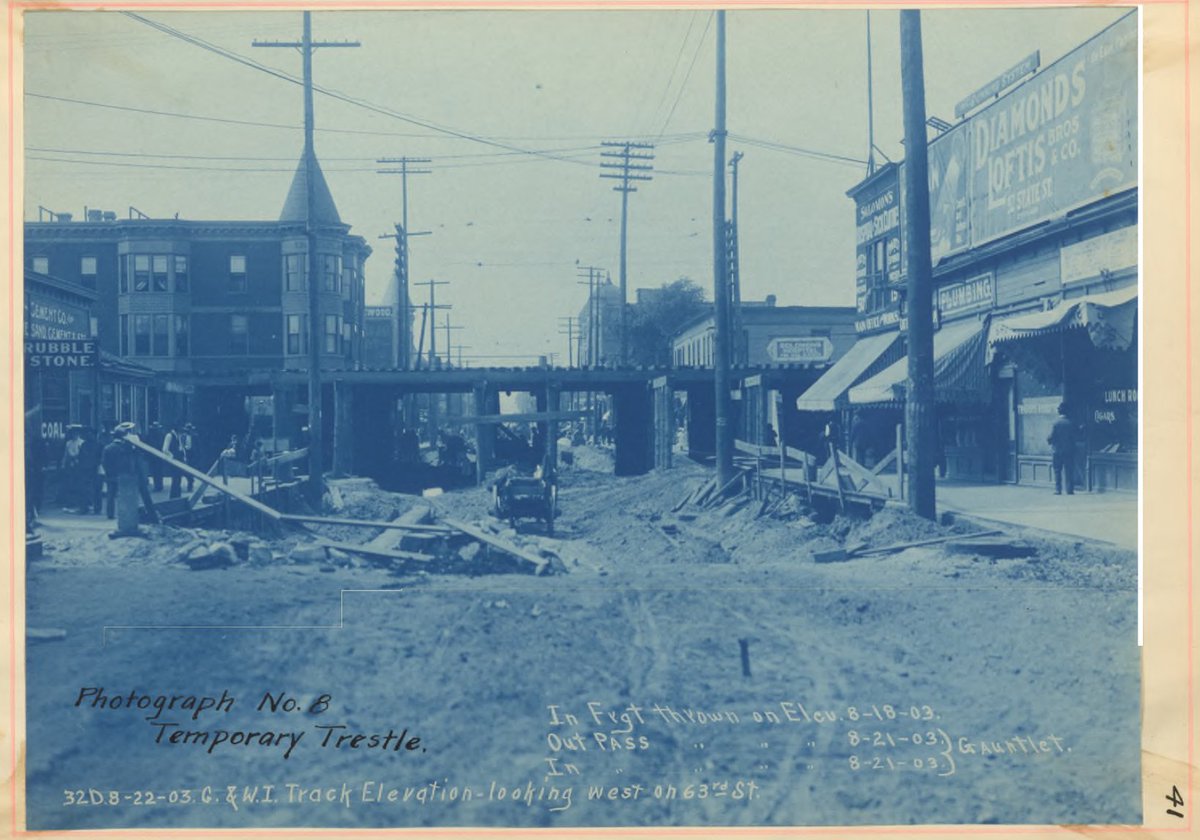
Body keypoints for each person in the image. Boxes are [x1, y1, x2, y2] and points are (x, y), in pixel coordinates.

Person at [1047, 402, 1077, 495]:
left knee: (1057, 470)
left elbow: (1051, 438)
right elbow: (1075, 437)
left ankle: (1058, 490)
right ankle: (1069, 490)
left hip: (1057, 451)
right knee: (1069, 470)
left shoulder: (1055, 424)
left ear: (1059, 412)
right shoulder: (1071, 423)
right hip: (1069, 451)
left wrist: (1049, 440)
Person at [60, 425, 85, 513]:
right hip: (70, 465)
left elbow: (82, 455)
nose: (74, 435)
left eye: (76, 433)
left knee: (78, 484)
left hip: (78, 465)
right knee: (70, 484)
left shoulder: (82, 443)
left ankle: (78, 502)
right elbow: (66, 454)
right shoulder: (68, 443)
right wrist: (63, 464)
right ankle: (70, 502)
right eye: (73, 433)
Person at [161, 421, 185, 499]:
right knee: (175, 479)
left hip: (180, 459)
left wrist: (184, 456)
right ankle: (174, 496)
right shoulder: (169, 435)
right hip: (174, 460)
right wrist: (172, 456)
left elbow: (181, 447)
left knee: (178, 479)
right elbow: (165, 449)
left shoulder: (179, 436)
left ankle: (177, 496)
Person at [145, 421, 166, 491]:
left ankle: (158, 485)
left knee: (156, 472)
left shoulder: (153, 435)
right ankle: (159, 485)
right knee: (157, 472)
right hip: (156, 456)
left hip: (155, 456)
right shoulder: (160, 435)